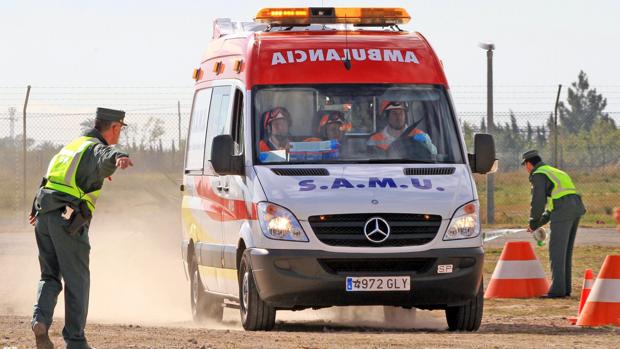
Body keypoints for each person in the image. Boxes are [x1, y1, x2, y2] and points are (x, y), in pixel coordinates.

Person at [29, 107, 133, 349]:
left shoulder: (71, 147)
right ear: (115, 127)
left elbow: (49, 179)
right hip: (68, 220)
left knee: (49, 275)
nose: (119, 135)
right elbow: (107, 152)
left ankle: (40, 321)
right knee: (77, 280)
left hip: (44, 214)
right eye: (119, 130)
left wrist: (35, 209)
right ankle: (75, 341)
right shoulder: (95, 147)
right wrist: (120, 157)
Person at [522, 150, 586, 298]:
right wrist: (538, 224)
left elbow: (538, 202)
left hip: (563, 210)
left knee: (556, 251)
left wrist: (532, 222)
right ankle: (564, 289)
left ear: (529, 164)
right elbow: (552, 206)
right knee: (565, 251)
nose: (526, 169)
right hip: (574, 207)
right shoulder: (555, 172)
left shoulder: (539, 174)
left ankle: (557, 291)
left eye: (525, 166)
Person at [366, 101, 435, 158]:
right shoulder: (374, 139)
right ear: (386, 116)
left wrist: (427, 145)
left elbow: (433, 155)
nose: (398, 116)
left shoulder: (419, 134)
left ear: (405, 115)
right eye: (394, 113)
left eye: (401, 112)